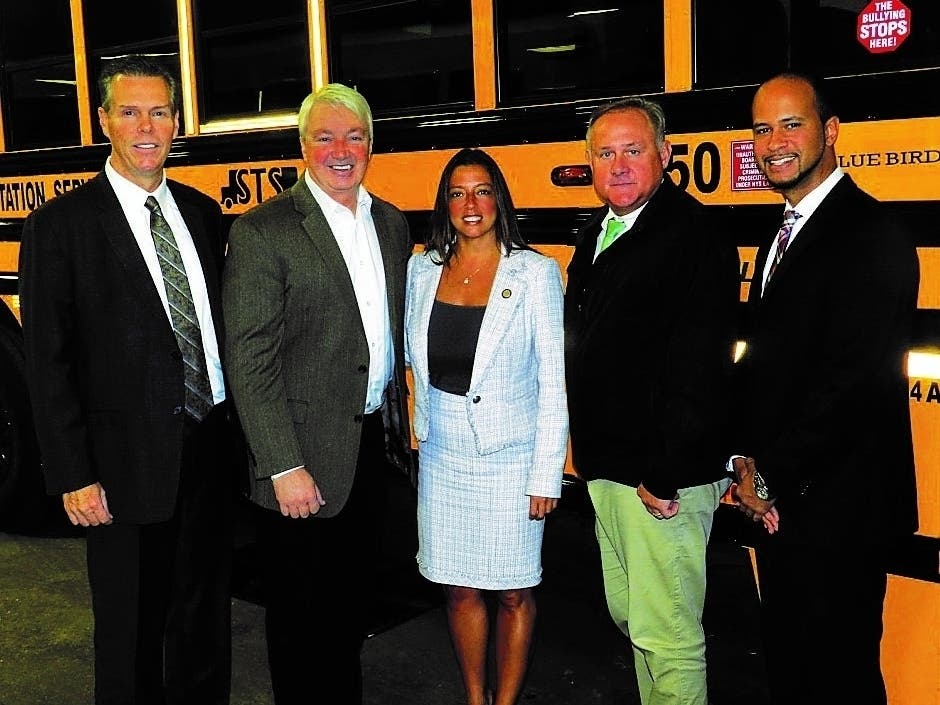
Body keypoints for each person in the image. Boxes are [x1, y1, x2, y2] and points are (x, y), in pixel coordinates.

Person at [18, 55, 236, 705]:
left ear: (177, 121)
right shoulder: (61, 227)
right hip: (119, 466)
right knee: (130, 634)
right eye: (131, 111)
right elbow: (47, 362)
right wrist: (72, 474)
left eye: (160, 111)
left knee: (203, 623)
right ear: (104, 120)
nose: (148, 126)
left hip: (208, 449)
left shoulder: (201, 213)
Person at [221, 83, 415, 705]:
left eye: (354, 136)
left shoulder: (389, 223)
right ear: (302, 146)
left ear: (371, 146)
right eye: (325, 137)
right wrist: (282, 464)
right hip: (299, 462)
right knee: (300, 620)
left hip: (370, 451)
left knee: (348, 611)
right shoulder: (264, 231)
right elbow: (250, 359)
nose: (341, 149)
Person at [729, 72, 919, 705]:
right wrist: (747, 465)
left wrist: (769, 475)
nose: (774, 142)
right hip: (785, 507)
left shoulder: (872, 235)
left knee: (840, 678)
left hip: (842, 509)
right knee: (791, 670)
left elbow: (854, 384)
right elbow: (767, 367)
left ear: (830, 132)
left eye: (792, 124)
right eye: (761, 128)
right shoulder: (782, 230)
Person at [563, 97, 740, 705]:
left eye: (633, 151)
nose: (618, 166)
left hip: (659, 479)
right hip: (610, 470)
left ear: (665, 156)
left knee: (668, 634)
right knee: (637, 621)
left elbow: (700, 367)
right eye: (604, 153)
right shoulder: (597, 234)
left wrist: (665, 472)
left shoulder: (694, 236)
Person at [405, 147, 568, 705]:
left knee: (515, 593)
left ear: (500, 197)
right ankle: (475, 698)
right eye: (457, 192)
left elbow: (553, 379)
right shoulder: (421, 270)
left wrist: (546, 473)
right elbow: (413, 361)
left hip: (511, 456)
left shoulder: (535, 273)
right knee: (458, 588)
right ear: (444, 203)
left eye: (482, 190)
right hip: (444, 452)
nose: (470, 204)